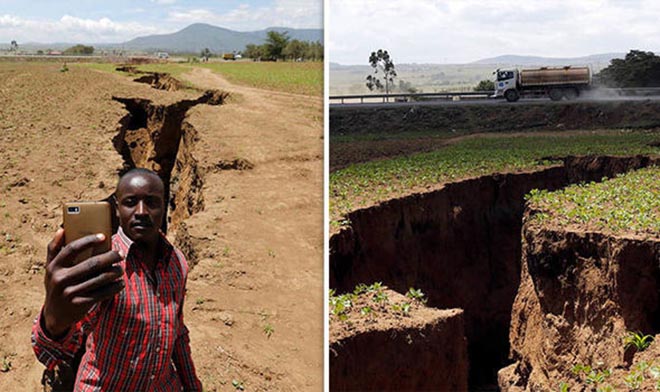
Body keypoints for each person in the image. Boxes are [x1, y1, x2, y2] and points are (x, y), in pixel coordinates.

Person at [32, 168, 203, 391]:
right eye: (131, 202)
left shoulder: (177, 262)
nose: (141, 211)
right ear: (117, 208)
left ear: (165, 206)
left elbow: (177, 330)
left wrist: (192, 385)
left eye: (152, 202)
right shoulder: (104, 264)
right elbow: (63, 346)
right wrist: (54, 321)